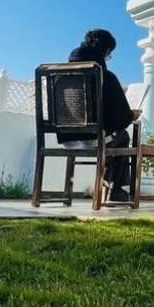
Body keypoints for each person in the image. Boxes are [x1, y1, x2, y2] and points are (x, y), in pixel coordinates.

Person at [61, 29, 137, 203]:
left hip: (68, 138)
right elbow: (122, 119)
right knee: (122, 136)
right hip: (94, 139)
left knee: (112, 137)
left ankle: (104, 188)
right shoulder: (105, 76)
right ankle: (115, 190)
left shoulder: (62, 75)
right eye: (109, 54)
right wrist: (132, 114)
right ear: (105, 51)